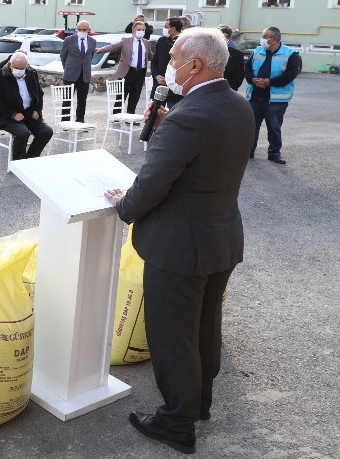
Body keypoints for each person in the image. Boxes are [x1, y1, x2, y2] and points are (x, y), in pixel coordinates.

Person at [104, 27, 252, 455]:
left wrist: (124, 206)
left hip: (180, 246)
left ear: (195, 65)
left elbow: (152, 185)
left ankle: (176, 422)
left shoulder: (187, 117)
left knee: (173, 335)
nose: (168, 66)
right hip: (220, 237)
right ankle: (198, 404)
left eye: (173, 59)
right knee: (204, 326)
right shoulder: (238, 106)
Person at [244, 26, 301, 164]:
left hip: (275, 99)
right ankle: (248, 151)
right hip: (255, 96)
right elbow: (248, 68)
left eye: (264, 36)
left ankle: (274, 153)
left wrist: (270, 82)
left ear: (273, 40)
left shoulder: (291, 54)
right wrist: (252, 79)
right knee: (252, 126)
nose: (262, 39)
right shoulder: (258, 51)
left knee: (274, 127)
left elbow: (291, 74)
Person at [0, 52, 53, 160]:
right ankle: (18, 162)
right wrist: (13, 114)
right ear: (10, 64)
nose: (19, 70)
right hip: (8, 117)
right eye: (16, 67)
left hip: (29, 114)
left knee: (46, 132)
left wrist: (37, 110)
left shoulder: (31, 73)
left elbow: (39, 94)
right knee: (23, 133)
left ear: (26, 66)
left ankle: (30, 159)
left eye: (22, 68)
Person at [93, 21, 152, 114]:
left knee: (135, 96)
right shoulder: (126, 41)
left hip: (140, 73)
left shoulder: (147, 43)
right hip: (127, 71)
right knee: (121, 95)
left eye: (143, 30)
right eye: (139, 29)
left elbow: (149, 55)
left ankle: (130, 115)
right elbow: (113, 47)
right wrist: (101, 50)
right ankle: (116, 115)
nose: (141, 31)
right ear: (133, 31)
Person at [59, 20, 96, 122]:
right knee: (67, 99)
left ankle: (80, 121)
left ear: (88, 30)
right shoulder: (68, 40)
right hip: (70, 74)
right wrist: (67, 68)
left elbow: (90, 56)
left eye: (84, 29)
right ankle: (65, 121)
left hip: (84, 75)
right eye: (80, 29)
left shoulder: (93, 41)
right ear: (76, 29)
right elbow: (63, 56)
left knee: (82, 100)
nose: (82, 31)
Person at [152, 17, 185, 108]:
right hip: (159, 86)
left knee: (173, 116)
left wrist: (170, 79)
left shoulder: (184, 42)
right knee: (155, 114)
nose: (164, 29)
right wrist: (156, 75)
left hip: (174, 89)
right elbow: (154, 61)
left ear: (173, 29)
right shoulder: (162, 41)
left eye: (166, 27)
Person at [218, 25, 245, 91]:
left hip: (228, 91)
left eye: (225, 37)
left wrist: (230, 89)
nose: (222, 40)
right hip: (209, 91)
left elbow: (239, 75)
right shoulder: (208, 52)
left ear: (229, 38)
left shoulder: (237, 55)